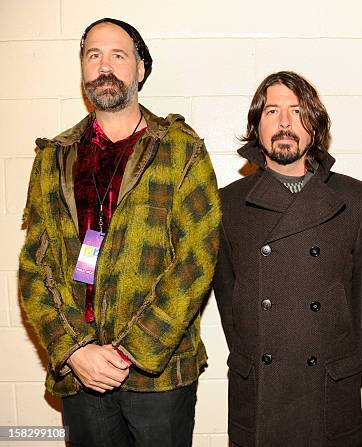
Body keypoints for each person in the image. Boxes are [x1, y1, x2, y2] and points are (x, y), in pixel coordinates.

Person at [18, 17, 220, 447]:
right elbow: (35, 266)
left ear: (140, 68)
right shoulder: (53, 157)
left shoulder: (183, 148)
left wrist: (132, 351)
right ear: (83, 71)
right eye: (94, 55)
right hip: (81, 375)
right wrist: (75, 350)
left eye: (118, 55)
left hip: (158, 376)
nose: (104, 66)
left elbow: (197, 259)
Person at [212, 71, 362, 447]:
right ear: (256, 126)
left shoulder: (356, 199)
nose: (285, 122)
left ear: (314, 124)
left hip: (326, 389)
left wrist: (339, 358)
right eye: (272, 111)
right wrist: (251, 353)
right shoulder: (227, 204)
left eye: (296, 110)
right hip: (259, 390)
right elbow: (230, 299)